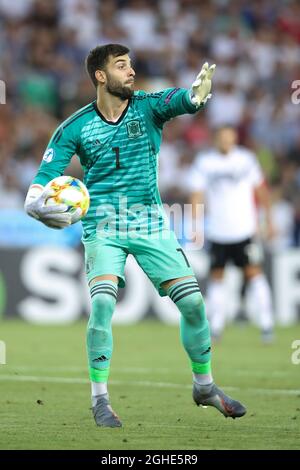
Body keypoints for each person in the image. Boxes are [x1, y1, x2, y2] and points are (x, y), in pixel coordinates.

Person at [24, 44, 246, 427]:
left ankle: (205, 386)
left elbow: (180, 101)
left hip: (150, 223)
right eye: (121, 66)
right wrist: (42, 212)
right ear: (100, 75)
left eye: (131, 65)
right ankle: (100, 400)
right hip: (103, 227)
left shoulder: (146, 107)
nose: (131, 72)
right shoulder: (74, 127)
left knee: (194, 305)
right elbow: (36, 192)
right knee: (104, 306)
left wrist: (194, 96)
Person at [189, 125, 275, 343]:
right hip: (218, 231)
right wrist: (195, 225)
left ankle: (267, 324)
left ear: (235, 139)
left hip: (244, 230)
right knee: (217, 278)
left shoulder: (246, 160)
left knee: (254, 274)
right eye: (223, 138)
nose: (226, 142)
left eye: (230, 138)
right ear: (216, 139)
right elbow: (196, 195)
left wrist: (268, 221)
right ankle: (216, 326)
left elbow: (261, 191)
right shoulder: (205, 162)